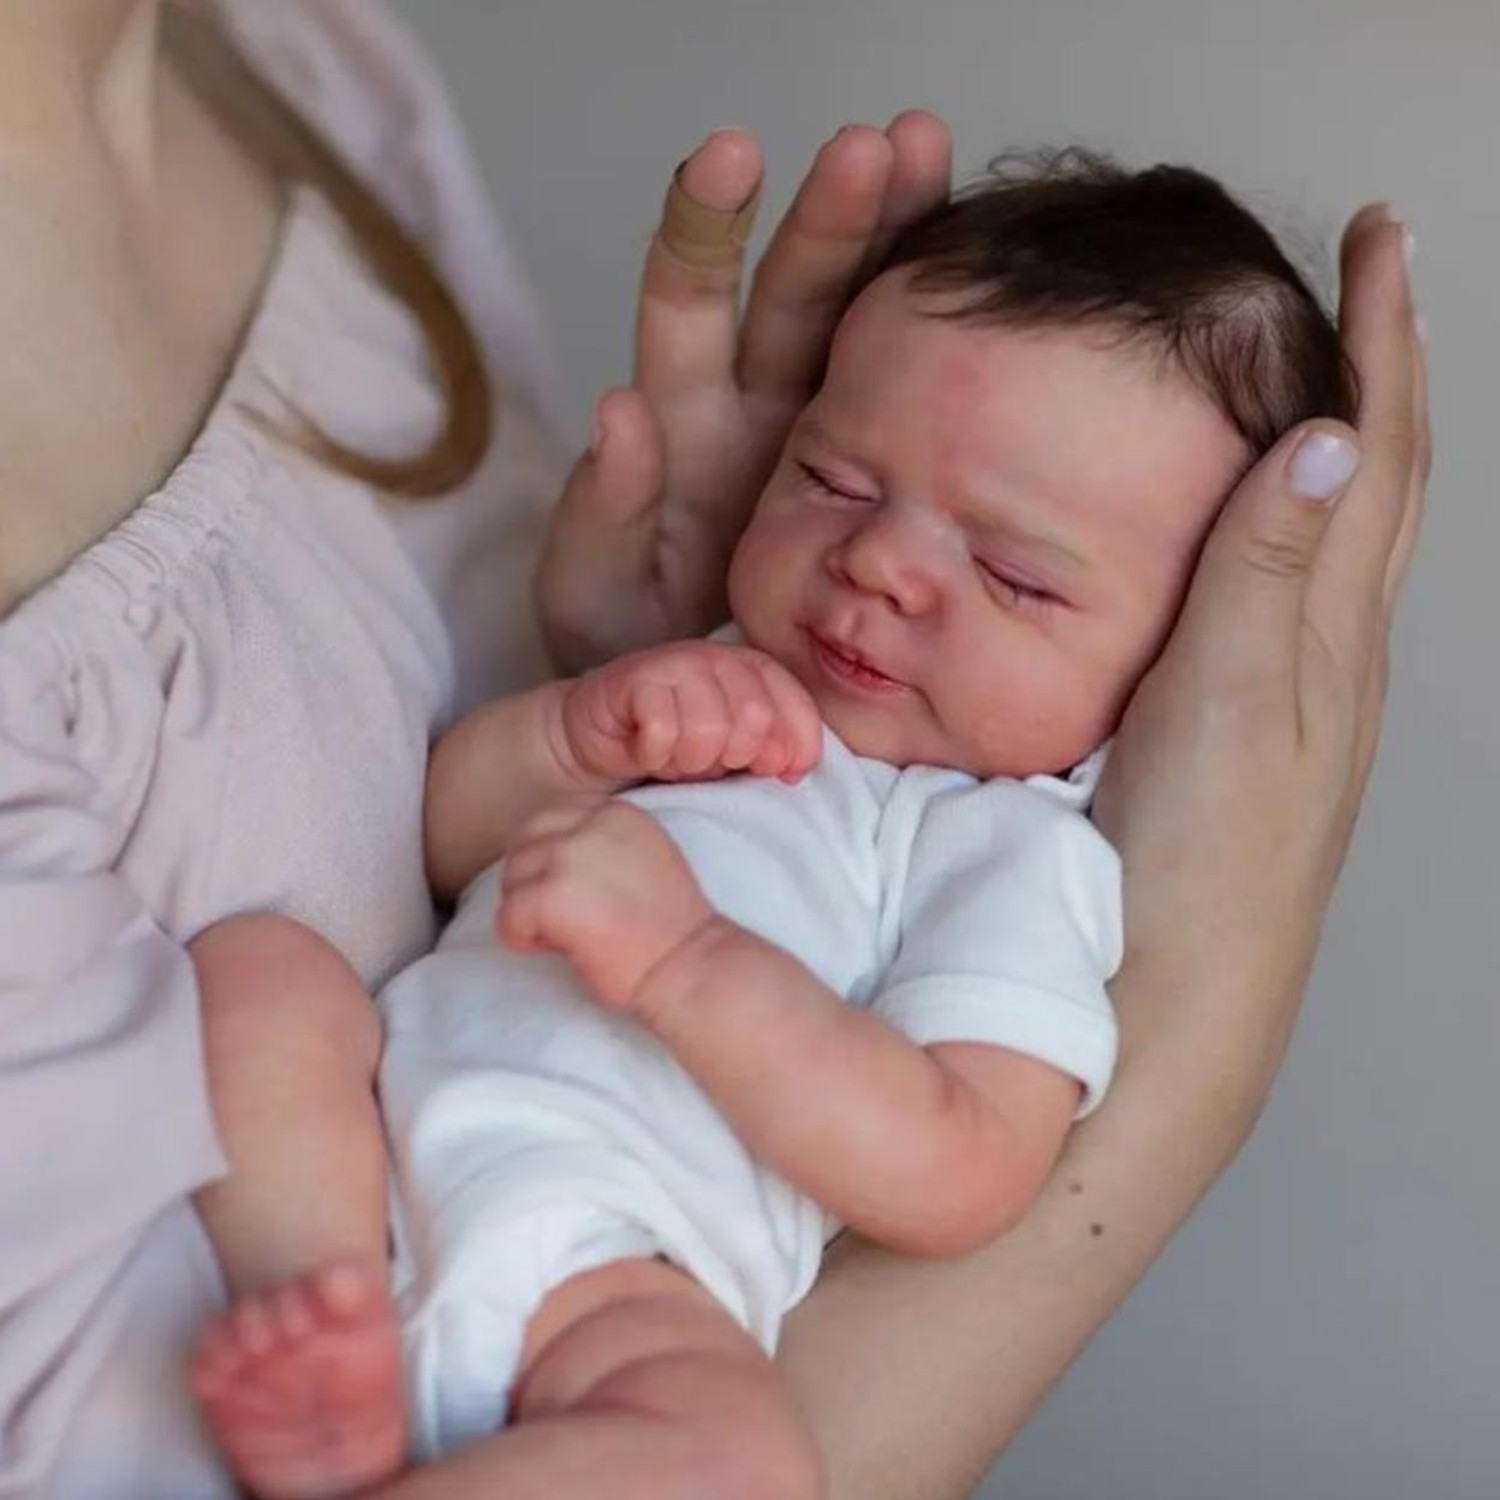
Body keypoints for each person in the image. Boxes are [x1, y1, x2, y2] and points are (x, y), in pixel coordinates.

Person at [0, 2, 1426, 1499]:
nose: (881, 566)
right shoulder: (723, 682)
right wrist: (568, 733)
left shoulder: (1006, 852)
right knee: (261, 981)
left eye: (1012, 577)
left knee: (738, 1462)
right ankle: (321, 1333)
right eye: (834, 478)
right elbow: (438, 832)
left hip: (623, 1288)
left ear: (1175, 649)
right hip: (362, 1153)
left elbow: (962, 1165)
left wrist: (686, 968)